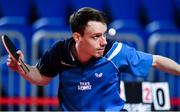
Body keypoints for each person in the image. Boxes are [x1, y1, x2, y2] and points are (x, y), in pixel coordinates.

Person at [7, 7, 180, 111]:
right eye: (96, 36)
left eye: (104, 34)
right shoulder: (59, 52)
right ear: (77, 37)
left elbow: (156, 61)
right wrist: (23, 68)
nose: (103, 41)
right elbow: (41, 77)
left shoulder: (116, 52)